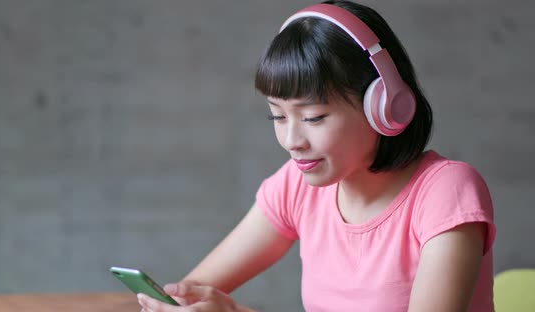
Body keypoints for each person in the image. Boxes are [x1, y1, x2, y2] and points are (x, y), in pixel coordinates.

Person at [137, 1, 496, 311]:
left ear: (385, 106)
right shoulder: (298, 184)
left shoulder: (446, 193)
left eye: (313, 117)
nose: (292, 140)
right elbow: (193, 291)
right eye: (277, 116)